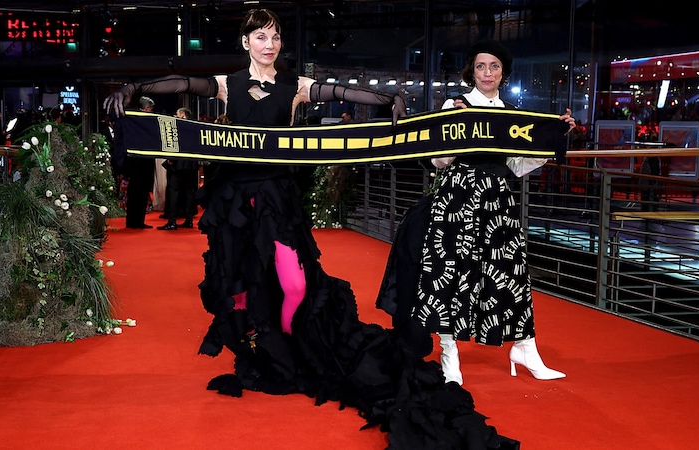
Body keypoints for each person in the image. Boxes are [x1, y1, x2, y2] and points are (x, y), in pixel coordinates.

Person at [105, 10, 518, 448]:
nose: (270, 44)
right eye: (261, 37)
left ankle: (284, 342)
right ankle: (261, 347)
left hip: (277, 199)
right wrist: (134, 87)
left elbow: (342, 91)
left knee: (296, 284)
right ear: (246, 42)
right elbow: (184, 84)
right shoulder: (227, 84)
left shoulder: (295, 87)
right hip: (234, 200)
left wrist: (387, 99)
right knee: (240, 282)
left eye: (276, 37)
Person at [378, 40, 572, 386]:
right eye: (481, 66)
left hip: (498, 200)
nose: (487, 73)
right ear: (472, 70)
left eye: (494, 66)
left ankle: (525, 347)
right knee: (450, 274)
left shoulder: (512, 114)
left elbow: (516, 166)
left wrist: (551, 140)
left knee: (510, 271)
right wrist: (451, 131)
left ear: (504, 73)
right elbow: (436, 163)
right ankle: (449, 351)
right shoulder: (456, 106)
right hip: (457, 197)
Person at [157, 107, 199, 230]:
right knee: (189, 193)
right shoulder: (195, 127)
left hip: (178, 165)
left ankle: (172, 221)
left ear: (182, 114)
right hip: (191, 166)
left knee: (174, 193)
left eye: (177, 114)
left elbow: (175, 145)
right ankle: (189, 220)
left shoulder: (177, 127)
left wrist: (170, 160)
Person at [123, 96, 156, 228]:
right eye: (151, 109)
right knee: (137, 193)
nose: (152, 111)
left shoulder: (137, 120)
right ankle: (134, 221)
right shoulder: (138, 120)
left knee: (140, 193)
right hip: (138, 163)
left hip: (141, 162)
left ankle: (137, 221)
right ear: (147, 108)